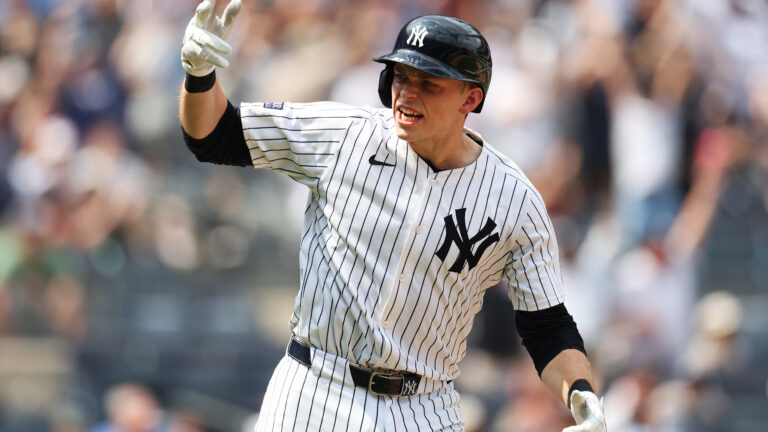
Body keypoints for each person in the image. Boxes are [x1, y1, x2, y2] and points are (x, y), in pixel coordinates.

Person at [179, 1, 607, 431]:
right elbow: (215, 136)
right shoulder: (344, 135)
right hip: (314, 388)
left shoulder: (515, 200)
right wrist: (199, 76)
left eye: (429, 82)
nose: (407, 92)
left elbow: (547, 326)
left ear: (471, 98)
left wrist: (580, 392)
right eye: (401, 76)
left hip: (423, 406)